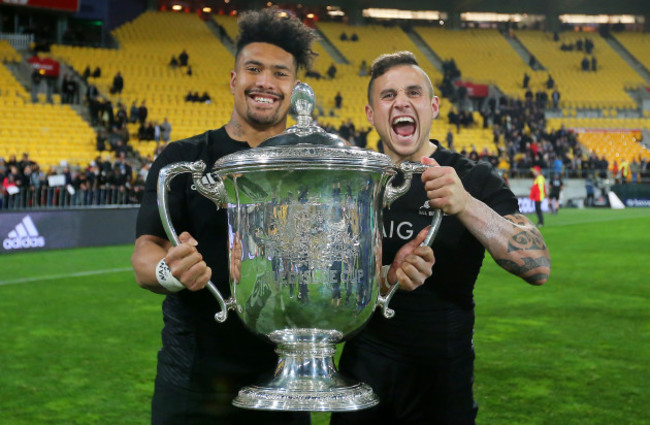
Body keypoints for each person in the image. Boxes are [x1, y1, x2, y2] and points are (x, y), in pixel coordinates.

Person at [330, 51, 550, 425]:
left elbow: (538, 266)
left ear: (433, 107)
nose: (401, 101)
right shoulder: (351, 184)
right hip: (361, 375)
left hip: (443, 378)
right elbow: (327, 285)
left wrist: (465, 204)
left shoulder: (474, 178)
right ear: (371, 114)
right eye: (387, 95)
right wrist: (387, 277)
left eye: (413, 93)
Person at [131, 8, 320, 425]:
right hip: (192, 381)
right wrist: (171, 270)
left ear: (294, 87)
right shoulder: (182, 159)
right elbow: (146, 253)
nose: (266, 82)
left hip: (283, 382)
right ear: (235, 79)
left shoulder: (316, 170)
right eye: (253, 69)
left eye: (280, 73)